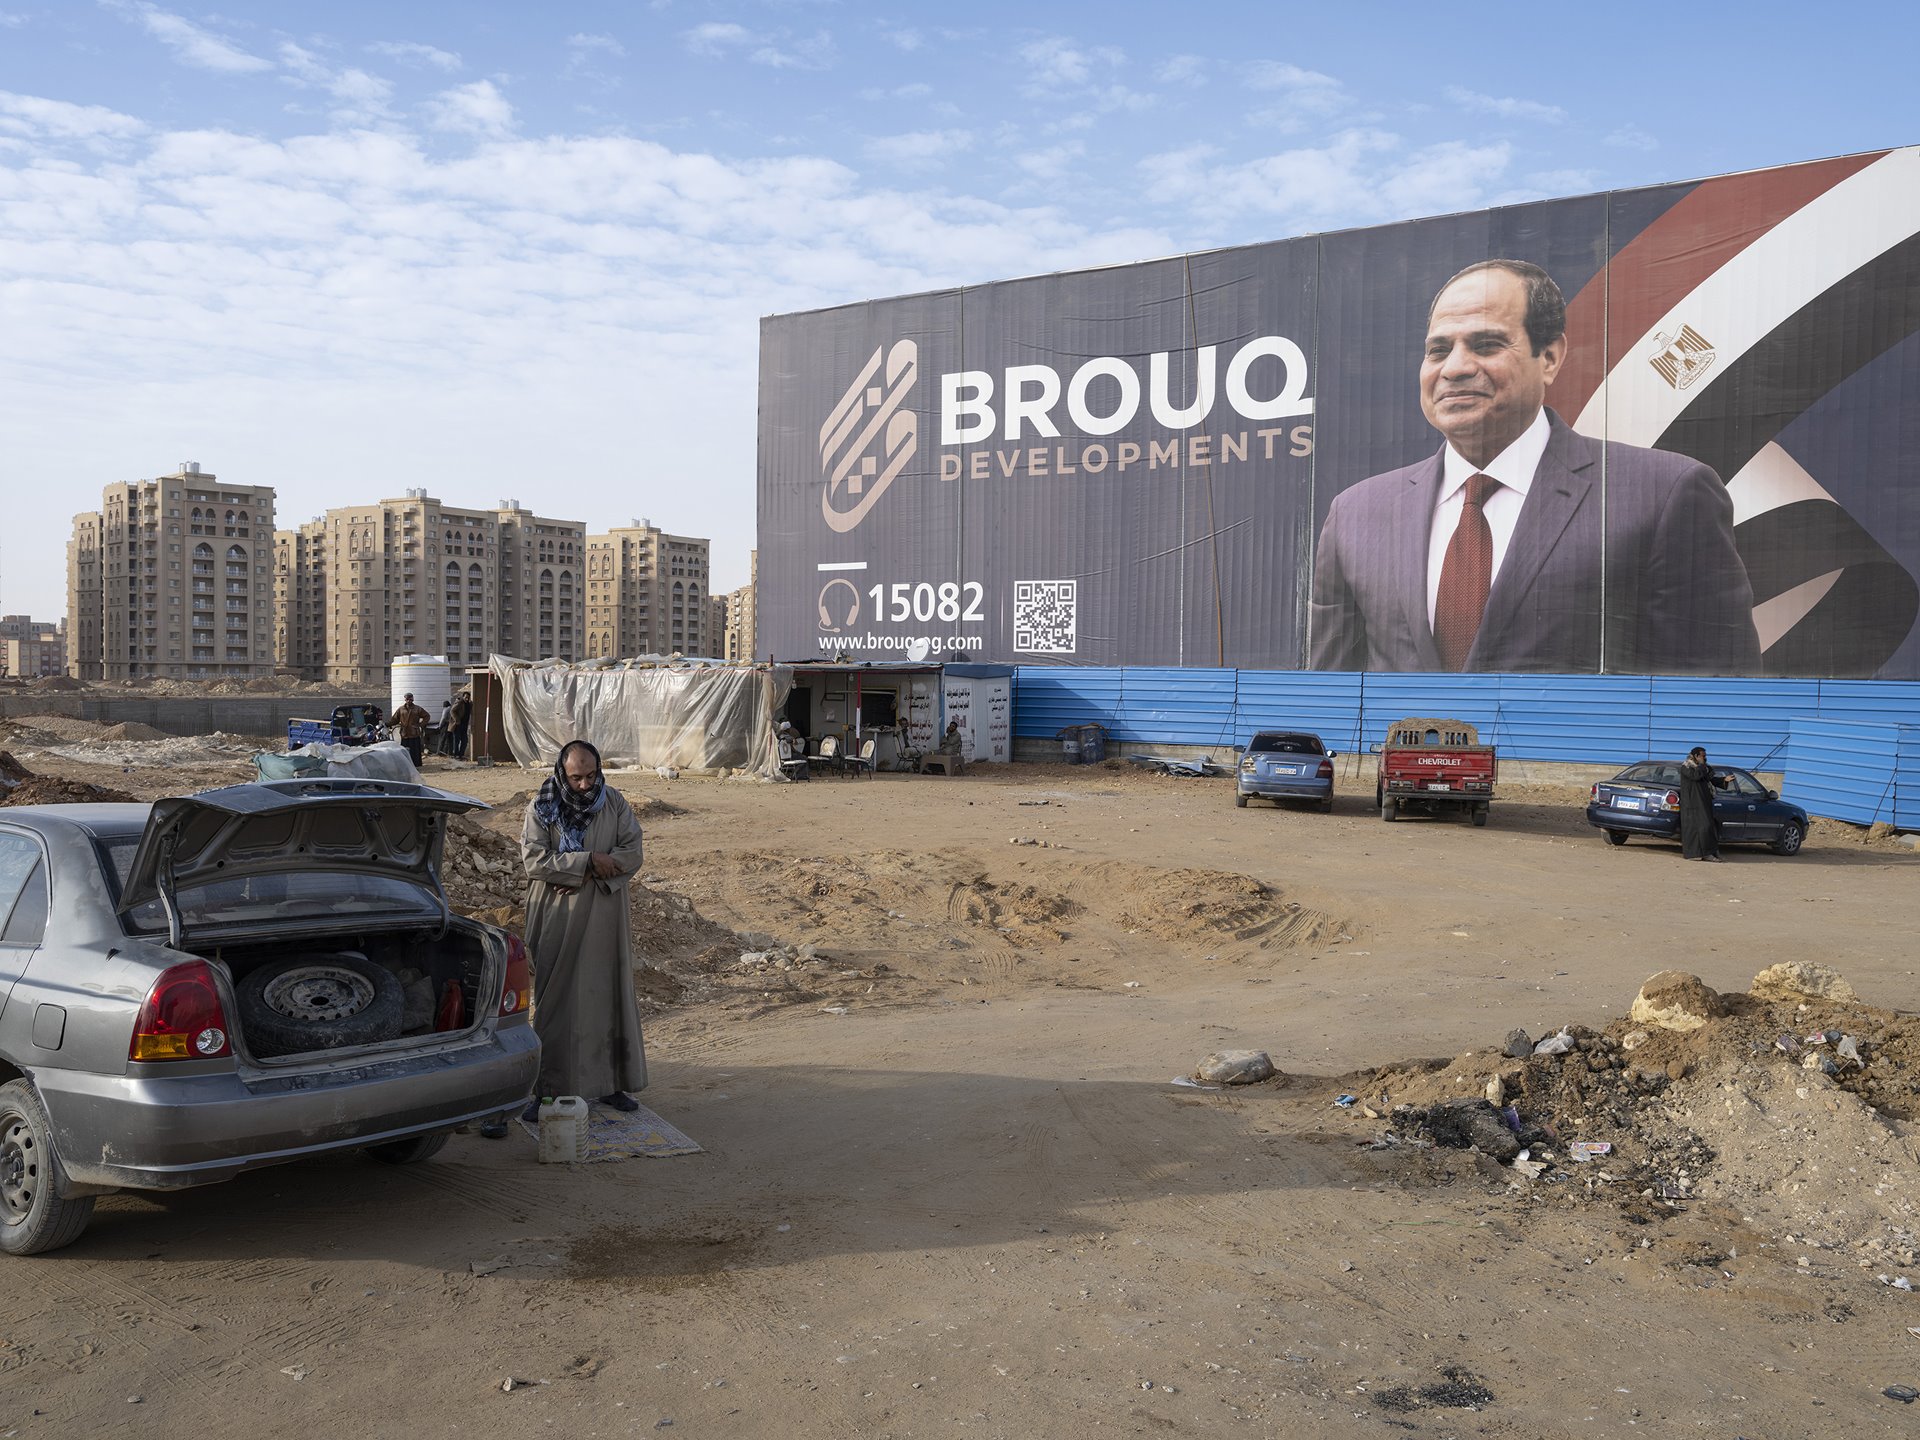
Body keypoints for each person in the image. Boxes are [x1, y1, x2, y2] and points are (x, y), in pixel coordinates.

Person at [1310, 260, 1762, 676]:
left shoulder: (1665, 494)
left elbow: (1718, 701)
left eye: (1486, 344)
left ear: (1549, 357)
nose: (1455, 368)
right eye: (1438, 350)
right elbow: (1326, 700)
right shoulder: (1355, 514)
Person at [504, 738, 648, 1132]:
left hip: (605, 912)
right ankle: (547, 1089)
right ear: (561, 773)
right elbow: (535, 861)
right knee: (557, 1002)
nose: (584, 786)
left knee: (607, 995)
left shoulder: (615, 802)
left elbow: (632, 852)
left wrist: (587, 868)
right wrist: (589, 862)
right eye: (576, 777)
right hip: (557, 916)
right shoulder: (543, 807)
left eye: (591, 776)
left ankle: (610, 1084)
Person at [1678, 745, 1724, 861]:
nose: (1705, 758)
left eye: (1705, 756)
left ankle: (1710, 853)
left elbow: (1710, 778)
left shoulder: (1703, 768)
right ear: (1696, 756)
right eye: (1703, 756)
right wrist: (1702, 765)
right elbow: (1696, 776)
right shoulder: (1686, 767)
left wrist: (1724, 780)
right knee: (1697, 828)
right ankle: (1695, 854)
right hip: (1692, 804)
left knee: (1708, 826)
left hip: (1703, 802)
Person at [390, 692, 431, 771]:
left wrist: (420, 725)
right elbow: (395, 719)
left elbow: (427, 716)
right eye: (407, 699)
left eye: (410, 699)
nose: (409, 701)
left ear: (413, 699)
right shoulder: (401, 709)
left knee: (415, 749)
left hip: (414, 733)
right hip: (404, 733)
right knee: (404, 749)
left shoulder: (417, 709)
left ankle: (416, 765)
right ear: (405, 699)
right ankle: (405, 764)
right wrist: (387, 724)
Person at [450, 689, 472, 760]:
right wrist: (457, 720)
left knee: (464, 741)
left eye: (468, 697)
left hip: (465, 725)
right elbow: (452, 711)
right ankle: (456, 755)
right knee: (457, 740)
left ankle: (461, 755)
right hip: (458, 725)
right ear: (463, 697)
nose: (467, 699)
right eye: (466, 697)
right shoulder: (459, 702)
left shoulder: (469, 704)